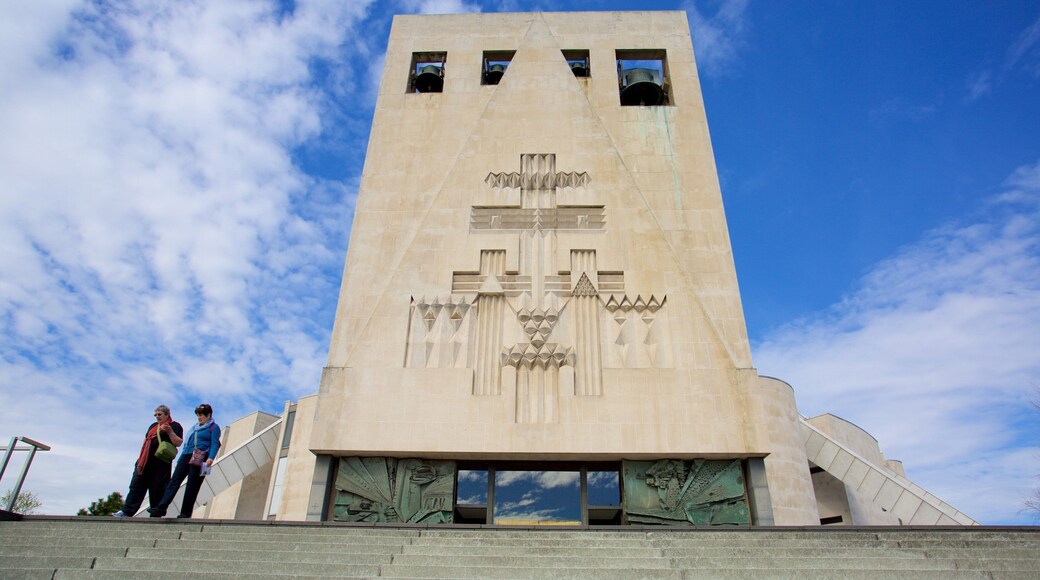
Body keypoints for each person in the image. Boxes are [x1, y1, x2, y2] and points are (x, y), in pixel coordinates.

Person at [148, 403, 221, 519]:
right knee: (174, 482)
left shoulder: (214, 427)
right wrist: (181, 458)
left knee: (192, 486)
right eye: (198, 414)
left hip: (199, 457)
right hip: (186, 455)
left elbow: (215, 443)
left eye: (202, 415)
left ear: (209, 415)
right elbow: (187, 443)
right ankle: (161, 507)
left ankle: (185, 513)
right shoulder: (195, 427)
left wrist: (210, 458)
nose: (199, 417)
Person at [113, 405, 183, 518]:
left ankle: (155, 514)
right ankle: (127, 511)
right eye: (155, 414)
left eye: (159, 414)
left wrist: (170, 432)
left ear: (167, 414)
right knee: (136, 486)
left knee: (157, 489)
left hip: (161, 463)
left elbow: (178, 442)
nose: (157, 417)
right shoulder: (153, 426)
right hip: (144, 461)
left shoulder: (175, 426)